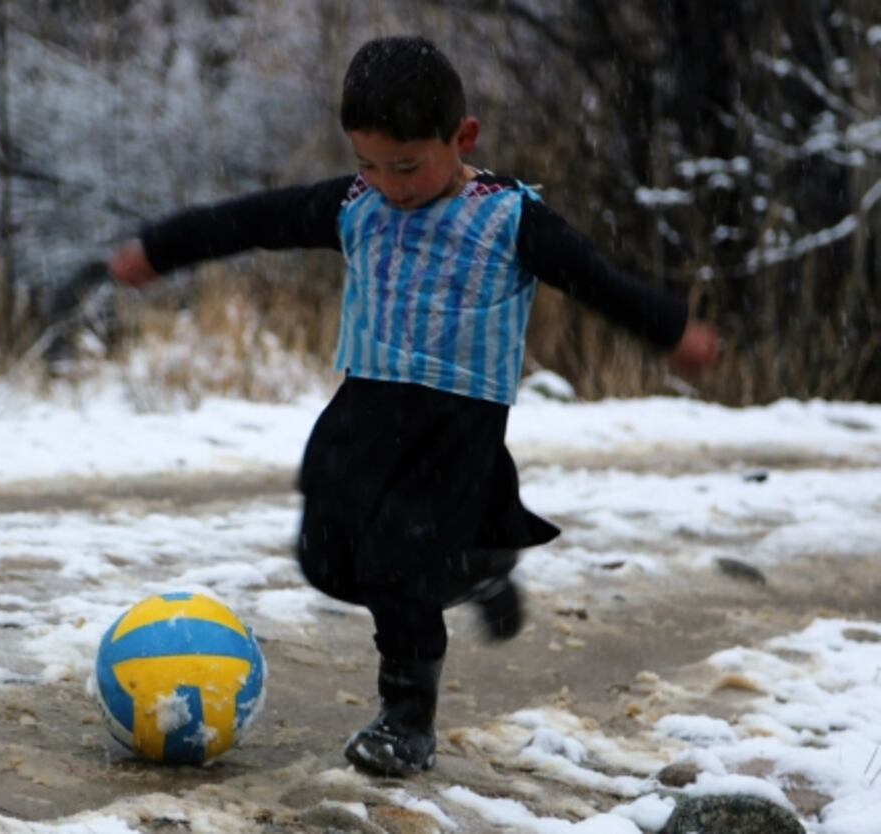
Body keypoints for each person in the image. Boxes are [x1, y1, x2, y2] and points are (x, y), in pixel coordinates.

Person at [108, 35, 719, 777]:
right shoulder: (354, 205)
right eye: (368, 162)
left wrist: (669, 330)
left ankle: (407, 719)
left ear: (461, 138)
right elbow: (250, 221)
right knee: (327, 559)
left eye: (407, 165)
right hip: (365, 407)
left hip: (455, 426)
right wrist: (160, 249)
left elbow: (596, 279)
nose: (388, 184)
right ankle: (477, 562)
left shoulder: (508, 218)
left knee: (397, 562)